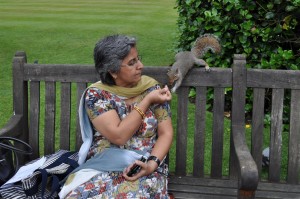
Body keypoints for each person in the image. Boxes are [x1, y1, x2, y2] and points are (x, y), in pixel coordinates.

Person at [59, 34, 173, 198]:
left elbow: (166, 133)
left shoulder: (151, 88)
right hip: (103, 167)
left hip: (143, 168)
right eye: (132, 63)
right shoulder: (97, 96)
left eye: (138, 59)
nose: (140, 66)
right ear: (113, 71)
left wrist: (151, 164)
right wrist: (147, 101)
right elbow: (119, 136)